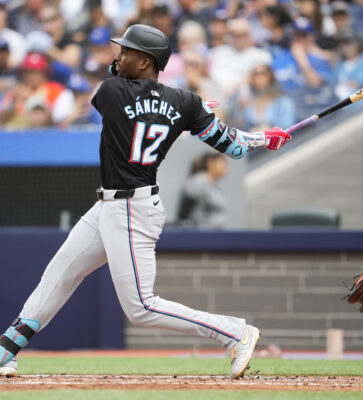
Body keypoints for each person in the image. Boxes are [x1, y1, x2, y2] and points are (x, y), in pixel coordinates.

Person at [0, 24, 290, 379]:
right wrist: (265, 137)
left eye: (127, 53)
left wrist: (180, 108)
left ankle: (234, 332)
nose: (118, 57)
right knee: (58, 276)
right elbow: (234, 145)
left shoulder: (113, 90)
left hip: (131, 209)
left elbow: (119, 91)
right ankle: (6, 350)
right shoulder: (185, 101)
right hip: (109, 206)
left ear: (145, 61)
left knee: (141, 307)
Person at [177, 152, 228, 228]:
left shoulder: (214, 186)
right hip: (200, 234)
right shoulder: (198, 181)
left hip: (215, 233)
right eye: (222, 163)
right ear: (210, 163)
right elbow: (185, 211)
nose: (225, 167)